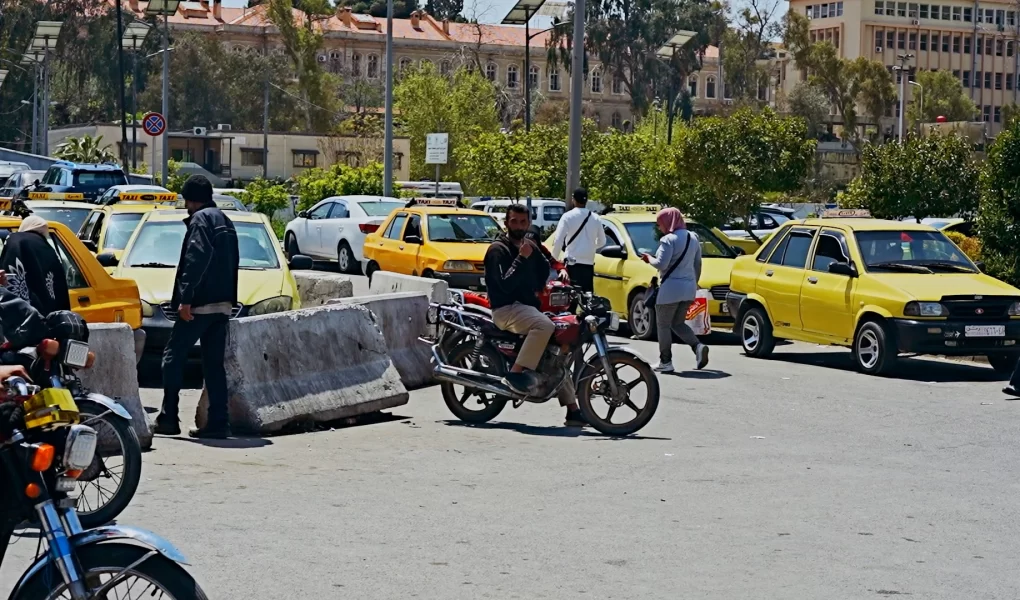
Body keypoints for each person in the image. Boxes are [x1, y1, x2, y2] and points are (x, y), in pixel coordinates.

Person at [484, 204, 586, 427]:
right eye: (514, 222)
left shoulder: (530, 245)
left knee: (556, 351)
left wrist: (561, 275)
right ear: (506, 223)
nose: (518, 226)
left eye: (523, 222)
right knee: (544, 327)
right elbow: (503, 286)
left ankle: (573, 410)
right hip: (506, 309)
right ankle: (516, 373)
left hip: (527, 308)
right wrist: (521, 259)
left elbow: (543, 271)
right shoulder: (497, 250)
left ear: (529, 224)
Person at [154, 175, 239, 440]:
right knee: (214, 365)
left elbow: (196, 258)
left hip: (200, 305)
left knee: (172, 356)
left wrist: (186, 299)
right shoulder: (225, 220)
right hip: (223, 305)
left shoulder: (201, 220)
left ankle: (169, 418)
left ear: (191, 200)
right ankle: (218, 423)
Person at [641, 207, 709, 373]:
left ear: (667, 222)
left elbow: (661, 264)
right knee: (677, 323)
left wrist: (649, 258)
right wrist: (694, 283)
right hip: (688, 289)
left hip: (670, 289)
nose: (659, 227)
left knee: (663, 325)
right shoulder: (693, 238)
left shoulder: (668, 240)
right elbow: (697, 264)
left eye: (660, 224)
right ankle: (697, 346)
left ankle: (666, 361)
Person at [0, 216, 70, 316]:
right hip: (48, 317)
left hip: (23, 315)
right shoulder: (48, 249)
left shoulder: (15, 240)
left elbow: (10, 275)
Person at [551, 188, 605, 293]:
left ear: (573, 200)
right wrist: (590, 246)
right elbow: (602, 241)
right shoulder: (596, 218)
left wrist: (554, 261)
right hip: (588, 264)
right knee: (587, 299)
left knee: (570, 298)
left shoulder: (567, 216)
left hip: (572, 264)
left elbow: (558, 240)